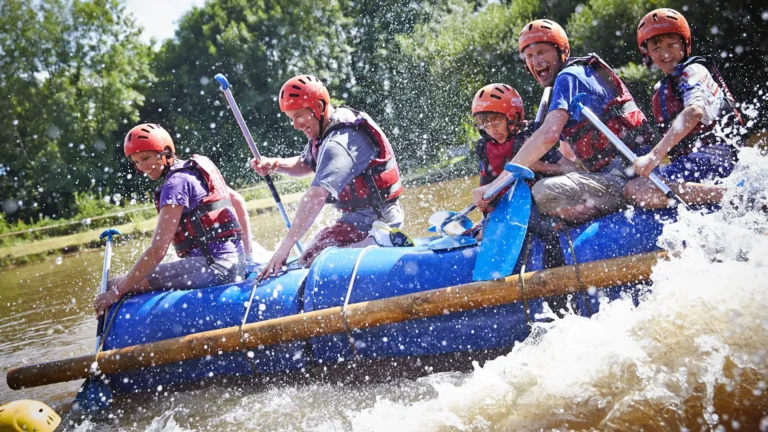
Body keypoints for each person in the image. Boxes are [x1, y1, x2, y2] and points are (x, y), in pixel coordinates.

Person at [472, 19, 656, 223]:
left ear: (563, 51)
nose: (536, 61)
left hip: (627, 178)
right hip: (622, 175)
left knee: (543, 191)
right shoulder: (575, 77)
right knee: (546, 189)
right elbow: (570, 160)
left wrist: (496, 183)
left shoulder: (568, 77)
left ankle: (572, 226)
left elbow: (548, 135)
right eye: (530, 56)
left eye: (542, 52)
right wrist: (542, 167)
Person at [251, 75, 411, 278]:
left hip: (378, 220)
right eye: (291, 118)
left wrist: (284, 249)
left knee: (317, 262)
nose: (295, 124)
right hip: (354, 219)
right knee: (308, 257)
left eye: (298, 116)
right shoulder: (324, 133)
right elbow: (304, 164)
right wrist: (274, 164)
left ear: (318, 107)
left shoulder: (341, 142)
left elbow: (316, 196)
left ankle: (382, 240)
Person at [93, 123, 253, 315]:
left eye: (146, 157)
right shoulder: (195, 169)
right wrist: (247, 256)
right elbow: (238, 201)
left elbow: (157, 251)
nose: (142, 167)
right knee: (127, 281)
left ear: (166, 152)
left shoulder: (175, 184)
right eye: (136, 162)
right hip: (235, 262)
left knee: (113, 284)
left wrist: (117, 292)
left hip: (213, 268)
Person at [624, 8, 743, 208]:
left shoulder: (692, 71)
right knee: (635, 183)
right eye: (656, 48)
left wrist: (654, 157)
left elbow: (694, 111)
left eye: (671, 44)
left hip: (715, 160)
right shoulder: (665, 86)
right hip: (694, 163)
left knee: (636, 189)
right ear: (647, 54)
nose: (665, 53)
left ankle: (733, 195)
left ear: (684, 44)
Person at [470, 83, 580, 235]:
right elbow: (486, 181)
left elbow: (574, 170)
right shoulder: (484, 147)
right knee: (486, 224)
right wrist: (485, 214)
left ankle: (555, 231)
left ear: (513, 118)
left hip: (534, 207)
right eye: (485, 126)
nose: (492, 131)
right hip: (505, 208)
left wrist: (541, 166)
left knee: (534, 220)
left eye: (496, 124)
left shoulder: (532, 140)